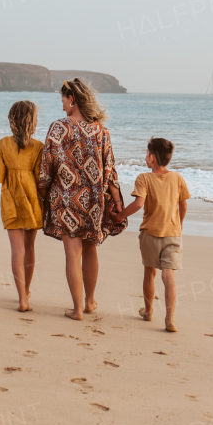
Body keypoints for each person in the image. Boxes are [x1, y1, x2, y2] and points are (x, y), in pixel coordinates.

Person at [38, 78, 125, 320]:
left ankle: (76, 310)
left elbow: (47, 167)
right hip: (94, 200)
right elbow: (110, 170)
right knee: (90, 249)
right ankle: (89, 301)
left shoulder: (58, 128)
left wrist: (44, 195)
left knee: (71, 253)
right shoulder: (101, 131)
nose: (62, 106)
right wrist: (117, 202)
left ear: (72, 99)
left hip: (67, 199)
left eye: (63, 100)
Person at [114, 137, 189, 332]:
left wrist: (120, 216)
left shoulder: (144, 178)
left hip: (150, 233)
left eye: (147, 154)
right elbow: (183, 205)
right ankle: (170, 319)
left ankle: (148, 311)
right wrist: (179, 225)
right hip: (173, 234)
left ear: (153, 158)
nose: (145, 157)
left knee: (149, 272)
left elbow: (138, 204)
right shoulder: (178, 178)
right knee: (168, 276)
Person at [0, 101, 43, 312]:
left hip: (10, 199)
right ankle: (26, 292)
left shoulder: (3, 144)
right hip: (32, 201)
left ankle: (22, 298)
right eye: (36, 117)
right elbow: (41, 179)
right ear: (31, 122)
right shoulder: (38, 147)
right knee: (29, 248)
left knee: (17, 250)